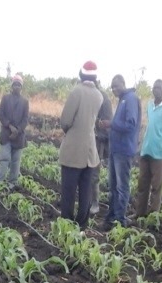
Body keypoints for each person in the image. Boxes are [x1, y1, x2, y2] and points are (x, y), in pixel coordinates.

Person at [57, 61, 103, 230]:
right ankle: (82, 226)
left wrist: (69, 130)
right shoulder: (99, 96)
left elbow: (65, 121)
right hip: (90, 151)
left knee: (68, 191)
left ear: (81, 75)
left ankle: (67, 225)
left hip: (73, 150)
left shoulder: (76, 92)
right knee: (85, 192)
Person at [100, 74, 141, 230]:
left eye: (116, 86)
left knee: (121, 186)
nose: (114, 89)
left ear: (123, 84)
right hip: (115, 149)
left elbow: (130, 124)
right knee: (113, 185)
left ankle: (120, 220)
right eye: (112, 87)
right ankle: (111, 216)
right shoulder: (123, 99)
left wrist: (111, 124)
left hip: (123, 150)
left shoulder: (130, 99)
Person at [134, 79, 162, 217]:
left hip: (159, 152)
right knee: (142, 184)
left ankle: (153, 216)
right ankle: (139, 213)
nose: (156, 90)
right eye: (154, 87)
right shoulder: (149, 105)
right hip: (146, 149)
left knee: (156, 186)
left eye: (159, 87)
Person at [0, 74, 29, 186]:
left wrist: (17, 130)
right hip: (6, 134)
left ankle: (12, 184)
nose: (17, 87)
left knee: (15, 162)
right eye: (15, 84)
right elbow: (1, 114)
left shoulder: (25, 102)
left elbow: (25, 119)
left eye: (19, 85)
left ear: (21, 87)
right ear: (12, 86)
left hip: (18, 137)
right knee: (4, 159)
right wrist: (10, 126)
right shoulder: (5, 98)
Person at [90, 80, 113, 215]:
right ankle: (88, 199)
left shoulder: (104, 99)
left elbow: (107, 123)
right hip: (87, 139)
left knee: (94, 172)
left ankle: (95, 203)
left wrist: (98, 128)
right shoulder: (87, 96)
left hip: (98, 141)